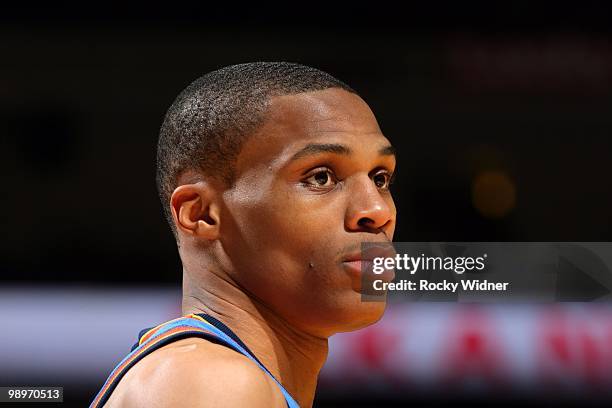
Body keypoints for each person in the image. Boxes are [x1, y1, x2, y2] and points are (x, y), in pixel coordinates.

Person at [90, 61, 397, 408]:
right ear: (200, 213)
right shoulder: (210, 381)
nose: (377, 211)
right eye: (321, 177)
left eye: (380, 178)